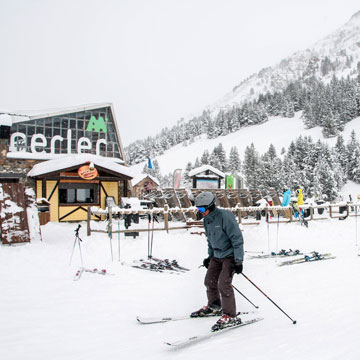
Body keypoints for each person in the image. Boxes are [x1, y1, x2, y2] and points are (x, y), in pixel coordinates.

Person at [190, 191, 244, 331]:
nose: (200, 212)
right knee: (209, 281)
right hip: (217, 255)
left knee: (224, 284)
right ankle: (214, 306)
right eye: (198, 209)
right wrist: (209, 256)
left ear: (211, 206)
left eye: (202, 209)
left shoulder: (225, 216)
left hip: (230, 256)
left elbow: (237, 239)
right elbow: (210, 240)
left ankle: (230, 315)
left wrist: (238, 260)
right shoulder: (207, 220)